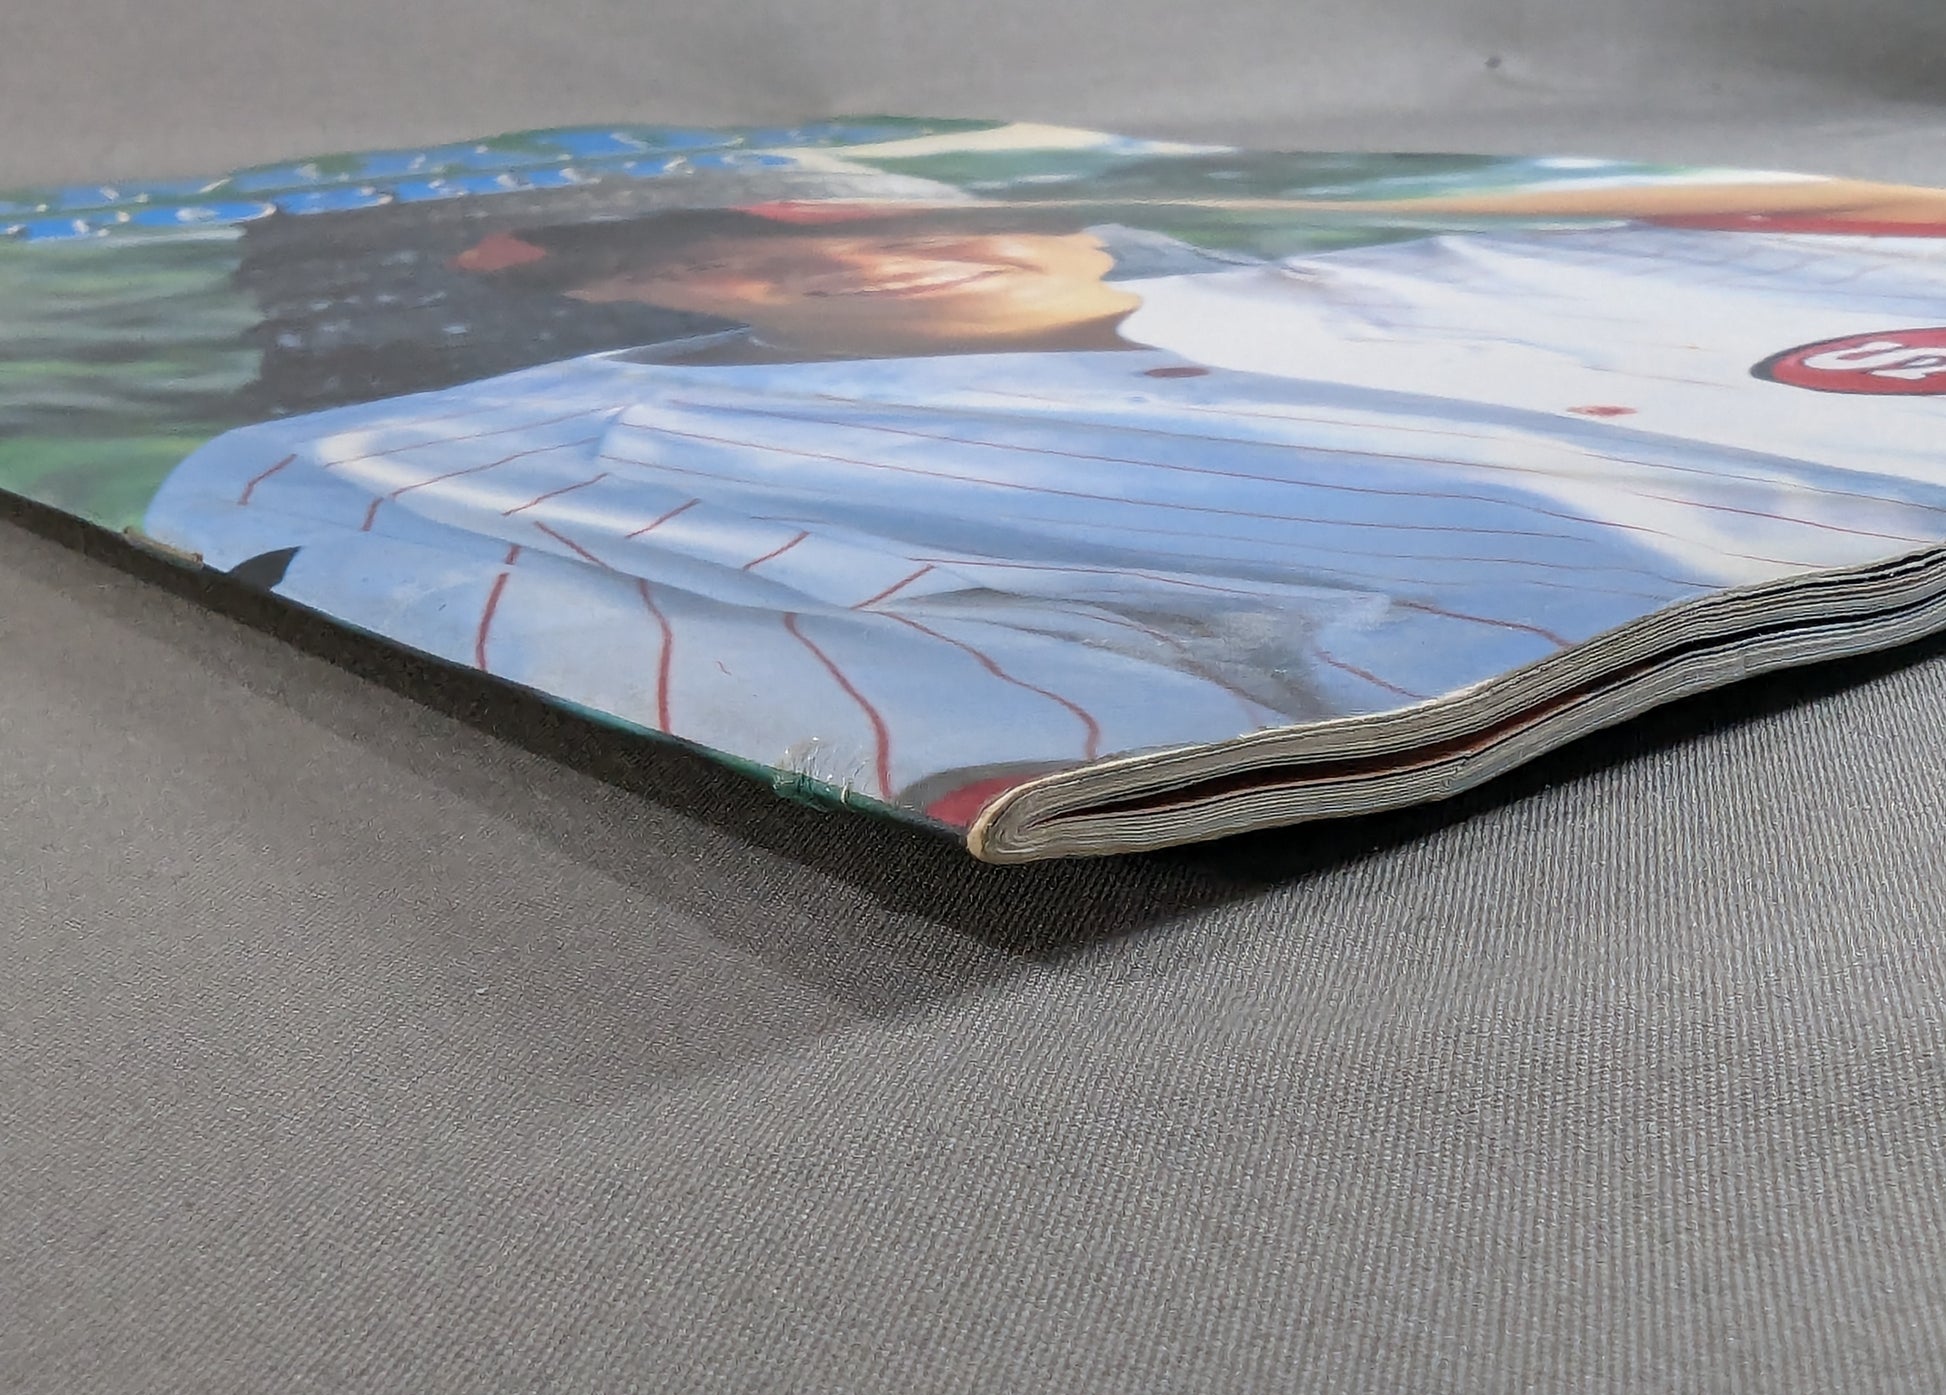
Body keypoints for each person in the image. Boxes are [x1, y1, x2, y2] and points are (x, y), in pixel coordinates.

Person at [144, 170, 1946, 825]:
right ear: (636, 295)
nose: (863, 259)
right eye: (720, 255)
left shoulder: (1449, 272)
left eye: (885, 224)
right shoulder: (545, 456)